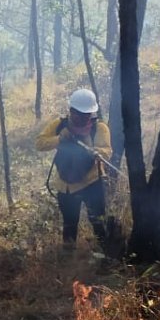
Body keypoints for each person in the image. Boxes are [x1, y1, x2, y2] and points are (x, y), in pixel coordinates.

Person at [36, 88, 113, 250]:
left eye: (86, 114)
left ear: (91, 114)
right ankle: (69, 259)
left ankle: (107, 253)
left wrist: (98, 153)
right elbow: (40, 144)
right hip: (66, 187)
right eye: (78, 113)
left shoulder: (99, 128)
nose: (82, 117)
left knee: (98, 221)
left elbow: (107, 150)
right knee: (70, 224)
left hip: (92, 183)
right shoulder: (59, 125)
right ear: (71, 110)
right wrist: (59, 138)